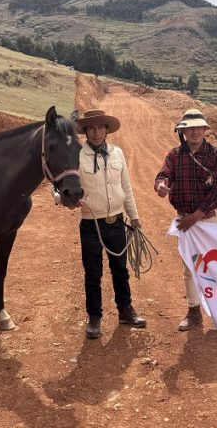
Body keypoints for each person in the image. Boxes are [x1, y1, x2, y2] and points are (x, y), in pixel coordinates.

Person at [74, 109, 146, 339]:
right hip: (90, 224)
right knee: (93, 273)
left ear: (106, 130)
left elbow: (126, 187)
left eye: (100, 128)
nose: (96, 133)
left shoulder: (118, 153)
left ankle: (125, 310)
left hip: (116, 221)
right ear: (86, 131)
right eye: (91, 129)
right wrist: (63, 199)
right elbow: (61, 186)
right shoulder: (77, 155)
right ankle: (94, 317)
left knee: (120, 269)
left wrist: (134, 216)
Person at [154, 108, 217, 331]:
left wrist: (196, 216)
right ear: (183, 132)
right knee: (190, 267)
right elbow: (163, 175)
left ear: (205, 129)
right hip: (186, 219)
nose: (194, 132)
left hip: (209, 220)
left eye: (198, 127)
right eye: (190, 128)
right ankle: (194, 311)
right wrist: (160, 185)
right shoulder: (174, 155)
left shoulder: (216, 155)